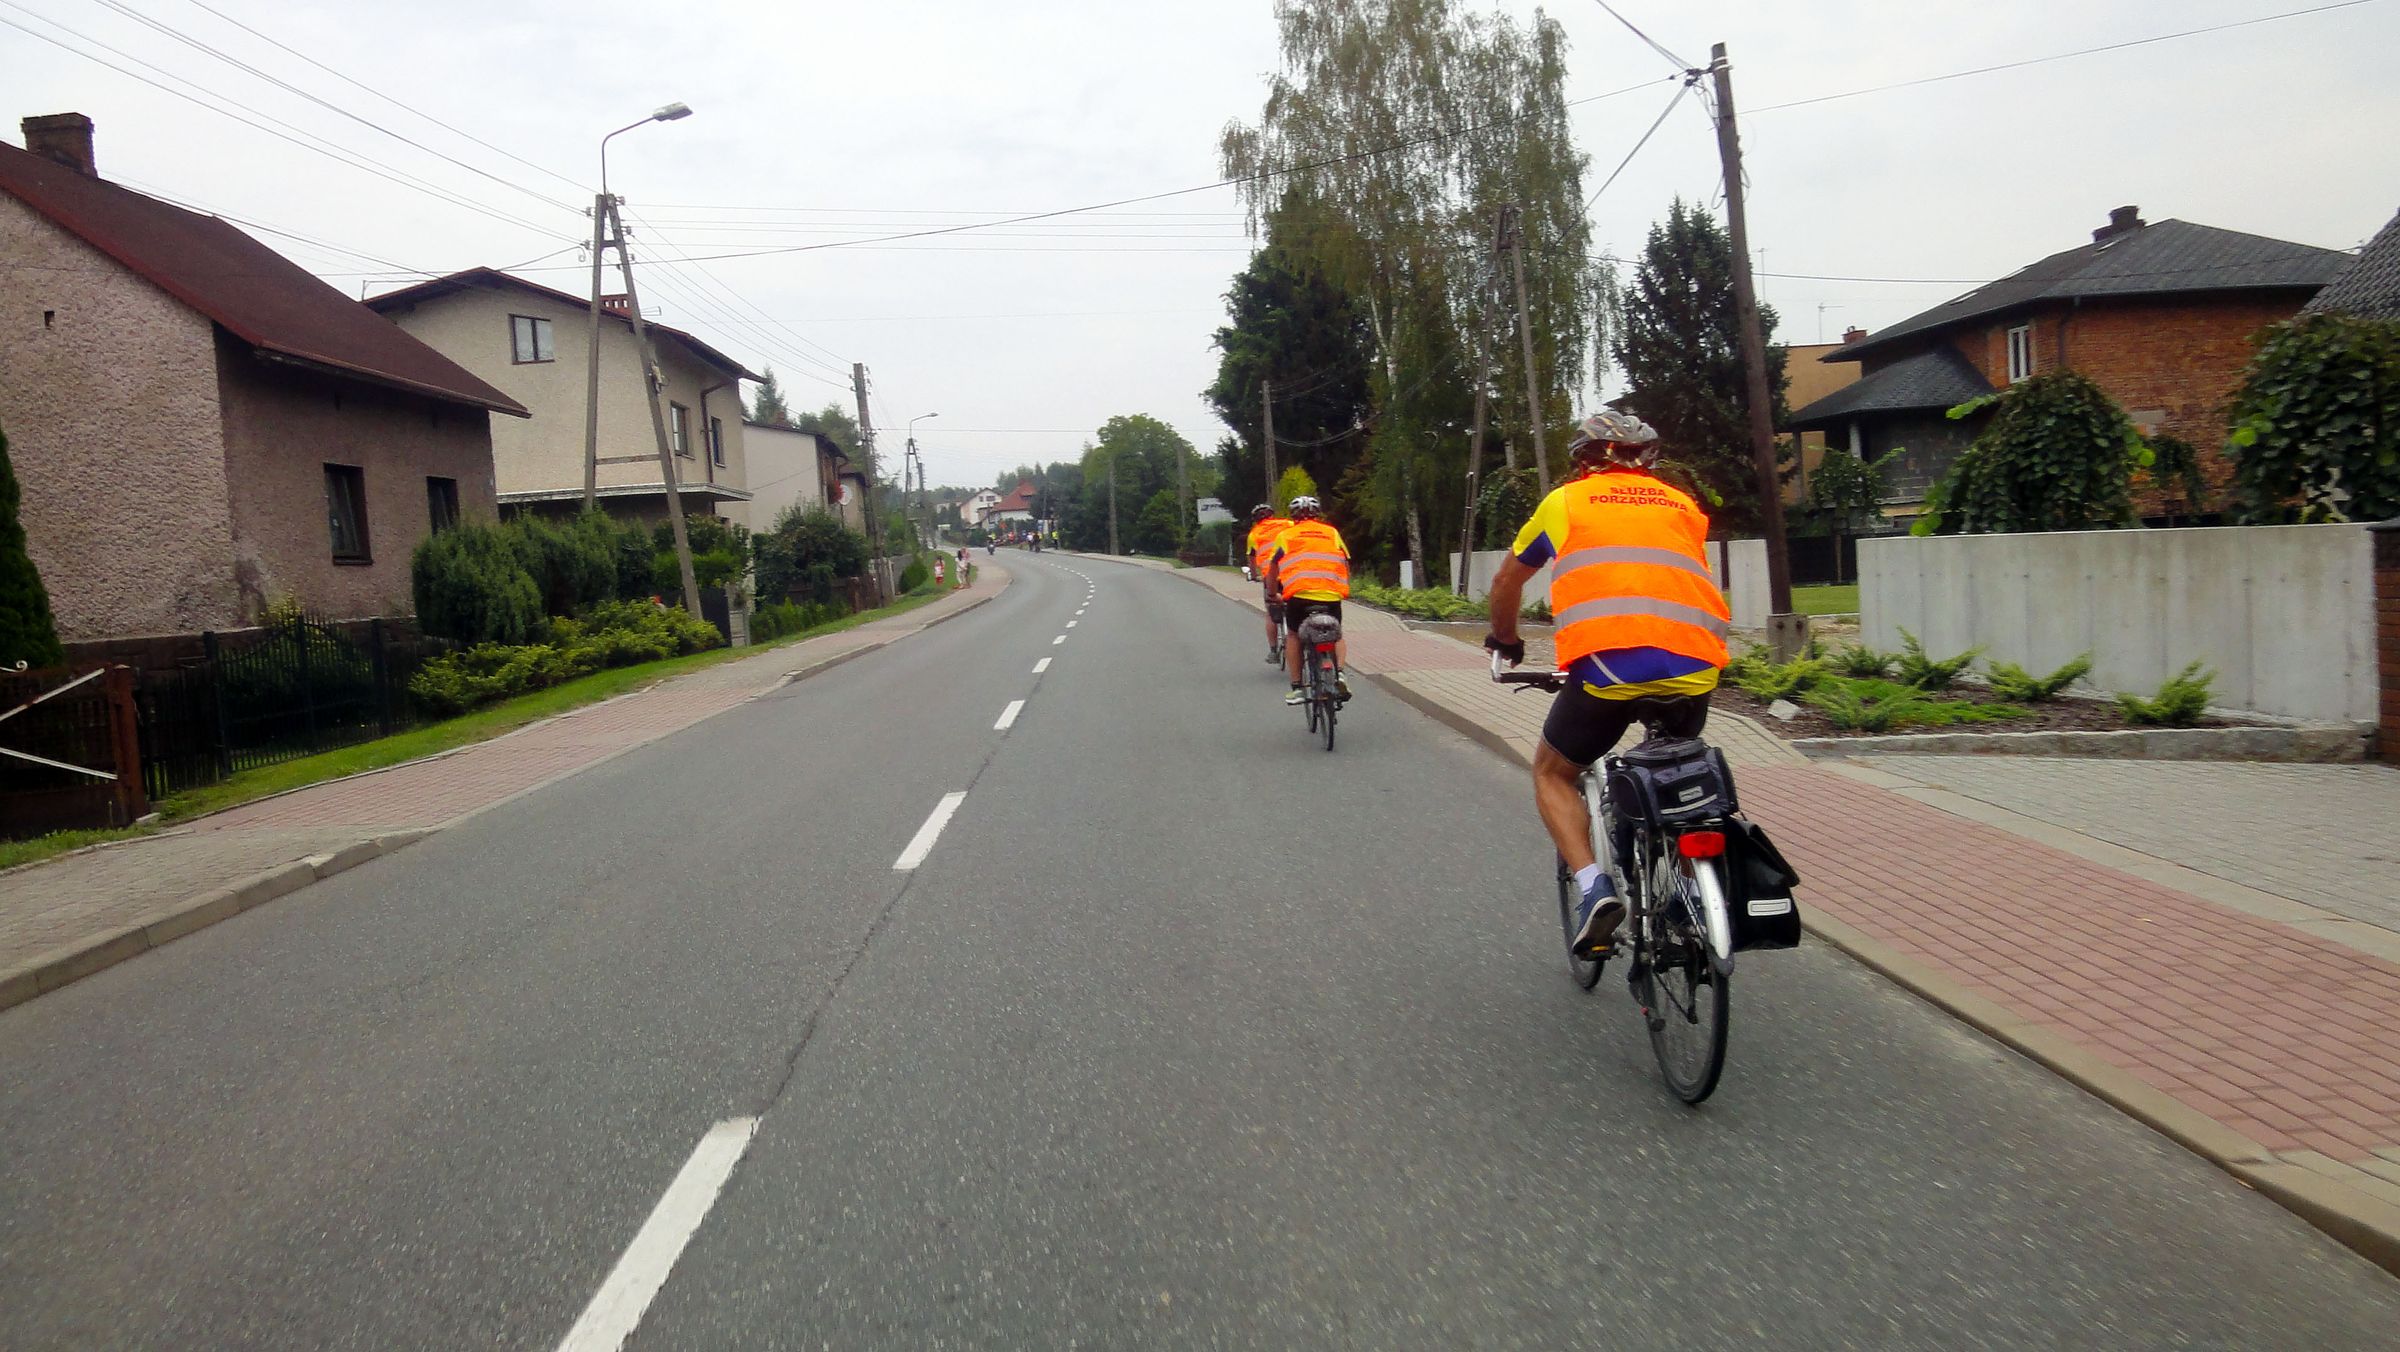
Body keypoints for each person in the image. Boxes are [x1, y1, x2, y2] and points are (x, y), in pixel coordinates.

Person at [1483, 411, 1731, 958]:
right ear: (1648, 461)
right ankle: (1689, 889)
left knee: (1553, 771)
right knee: (1678, 769)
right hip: (1697, 666)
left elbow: (1507, 580)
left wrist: (1506, 639)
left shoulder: (1567, 502)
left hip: (1610, 668)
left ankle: (1595, 888)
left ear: (1582, 461)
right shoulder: (1682, 504)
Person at [1265, 495, 1353, 706]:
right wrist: (1342, 586)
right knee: (1336, 633)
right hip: (1331, 594)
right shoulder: (1332, 532)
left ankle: (1297, 688)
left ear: (1293, 516)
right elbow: (1346, 561)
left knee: (1293, 635)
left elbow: (1273, 567)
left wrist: (1273, 594)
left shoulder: (1286, 535)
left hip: (1299, 595)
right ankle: (1340, 674)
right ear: (1318, 514)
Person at [1246, 503, 1294, 663]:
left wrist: (1253, 576)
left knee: (1271, 613)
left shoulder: (1254, 534)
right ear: (1272, 515)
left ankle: (1273, 651)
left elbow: (1252, 559)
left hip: (1271, 576)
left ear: (1255, 520)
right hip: (1291, 572)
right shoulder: (1288, 524)